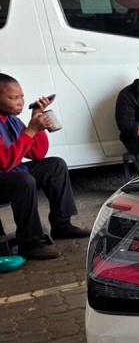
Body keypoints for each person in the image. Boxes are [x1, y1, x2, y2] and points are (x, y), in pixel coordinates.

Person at [0, 74, 91, 261]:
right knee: (24, 181)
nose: (20, 102)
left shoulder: (11, 120)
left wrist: (36, 120)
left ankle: (62, 225)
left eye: (21, 96)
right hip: (7, 176)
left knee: (55, 165)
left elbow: (37, 154)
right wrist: (31, 130)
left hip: (11, 173)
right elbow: (6, 162)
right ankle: (30, 243)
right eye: (13, 98)